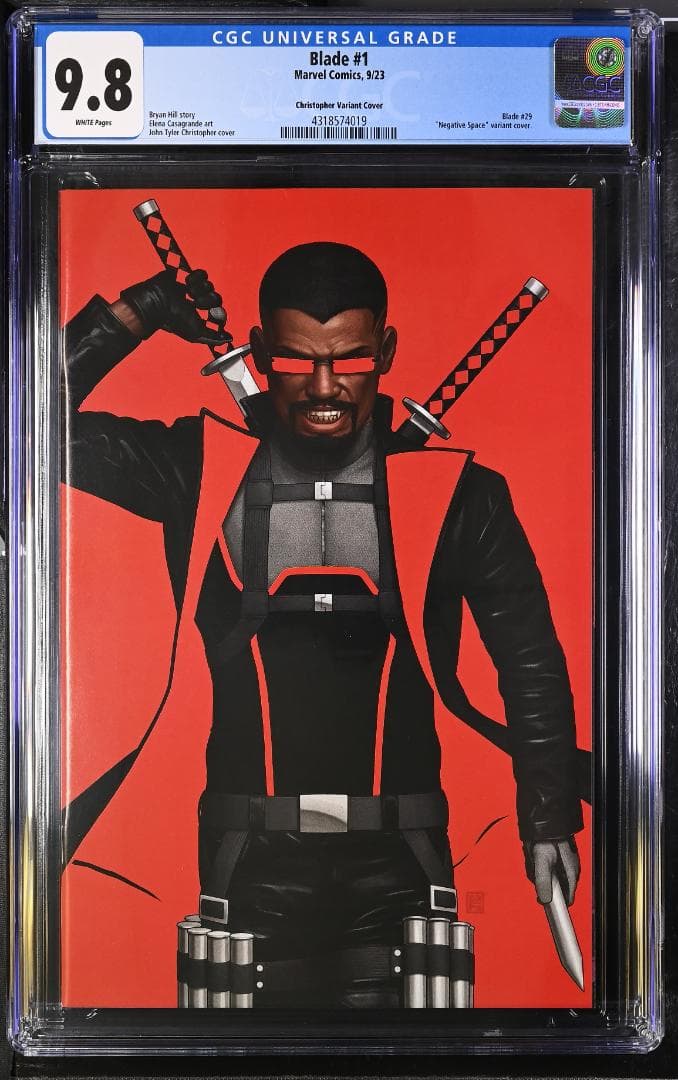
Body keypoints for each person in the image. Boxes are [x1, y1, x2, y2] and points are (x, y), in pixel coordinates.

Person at [62, 241, 584, 1007]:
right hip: (247, 862)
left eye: (351, 360)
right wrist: (132, 314)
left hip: (403, 864)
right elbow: (24, 429)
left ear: (387, 352)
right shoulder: (196, 469)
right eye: (297, 360)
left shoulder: (460, 496)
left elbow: (530, 661)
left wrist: (548, 819)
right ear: (259, 351)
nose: (324, 387)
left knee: (408, 1060)